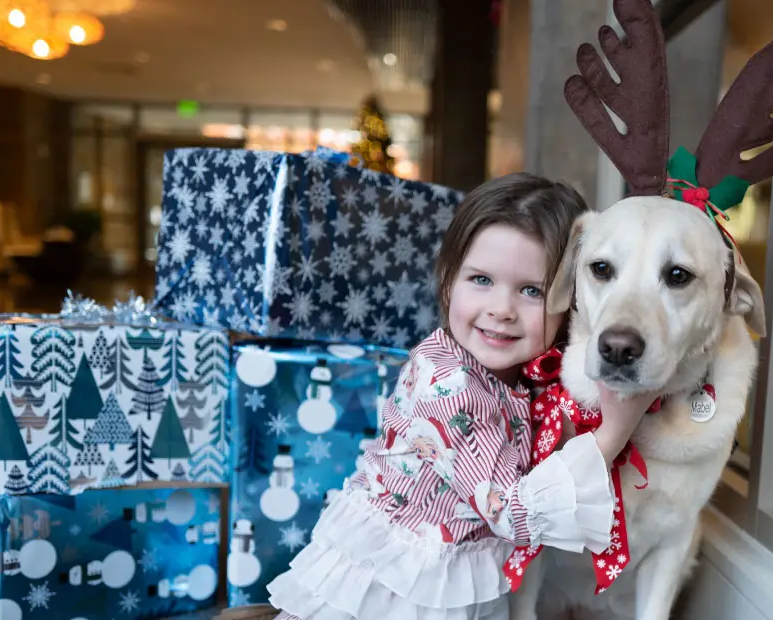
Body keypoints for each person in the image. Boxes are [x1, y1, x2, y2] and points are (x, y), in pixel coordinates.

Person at [221, 172, 659, 620]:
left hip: (449, 571)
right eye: (481, 280)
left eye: (531, 290)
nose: (502, 309)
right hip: (397, 589)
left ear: (571, 301)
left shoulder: (519, 376)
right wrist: (612, 434)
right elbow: (513, 514)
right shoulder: (448, 385)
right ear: (449, 281)